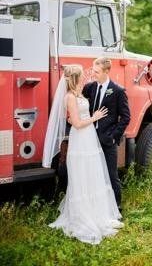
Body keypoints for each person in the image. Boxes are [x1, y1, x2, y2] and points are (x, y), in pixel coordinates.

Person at [42, 64, 124, 245]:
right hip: (80, 138)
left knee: (92, 174)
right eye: (82, 75)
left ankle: (96, 211)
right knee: (81, 176)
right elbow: (77, 124)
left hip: (89, 138)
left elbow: (74, 117)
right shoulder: (70, 97)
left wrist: (85, 117)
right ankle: (83, 215)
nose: (86, 77)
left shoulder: (80, 93)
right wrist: (94, 118)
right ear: (75, 79)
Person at [82, 57, 131, 211]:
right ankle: (97, 206)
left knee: (111, 174)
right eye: (92, 71)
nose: (93, 74)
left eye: (96, 72)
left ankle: (116, 207)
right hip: (90, 138)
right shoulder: (90, 87)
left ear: (107, 71)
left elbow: (126, 117)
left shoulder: (118, 91)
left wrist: (113, 136)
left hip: (107, 139)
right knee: (92, 174)